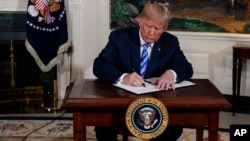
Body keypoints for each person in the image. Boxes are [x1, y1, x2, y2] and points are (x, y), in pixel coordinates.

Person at [93, 1, 193, 141]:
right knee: (103, 124)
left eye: (158, 29)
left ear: (164, 28)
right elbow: (99, 65)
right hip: (121, 100)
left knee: (174, 126)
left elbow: (186, 67)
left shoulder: (170, 42)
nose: (152, 32)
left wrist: (171, 74)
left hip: (156, 102)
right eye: (148, 26)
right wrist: (124, 77)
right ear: (140, 21)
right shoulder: (120, 37)